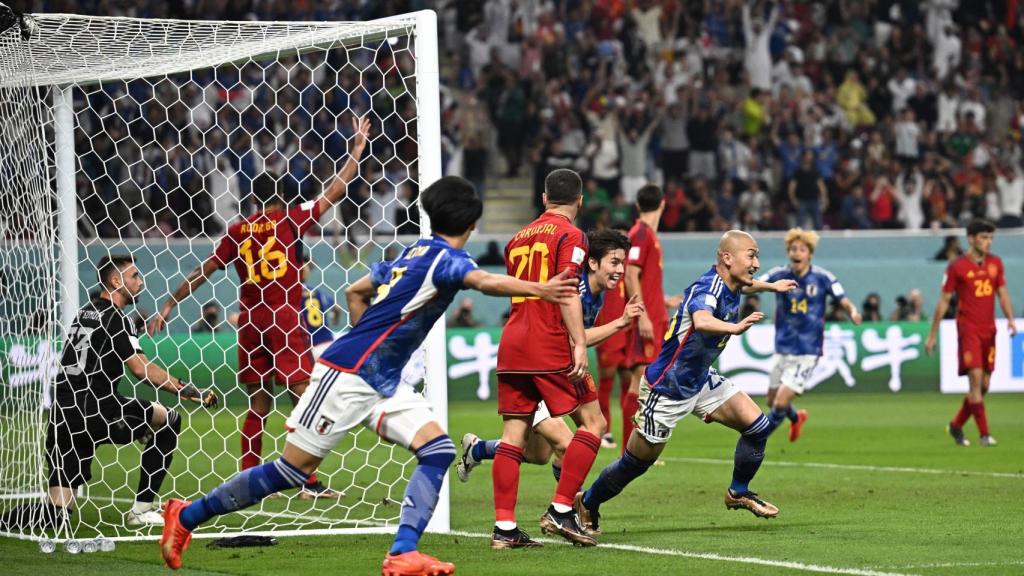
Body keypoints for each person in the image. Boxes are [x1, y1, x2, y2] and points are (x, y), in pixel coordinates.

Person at [159, 176, 580, 574]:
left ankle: (403, 553)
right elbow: (484, 281)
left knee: (437, 451)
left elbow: (355, 290)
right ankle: (187, 515)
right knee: (291, 472)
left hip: (384, 378)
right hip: (347, 374)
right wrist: (541, 289)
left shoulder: (413, 252)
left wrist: (374, 341)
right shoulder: (449, 261)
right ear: (472, 223)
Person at [150, 116, 370, 498]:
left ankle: (247, 482)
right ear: (283, 197)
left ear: (253, 200)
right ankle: (309, 481)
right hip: (284, 319)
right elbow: (335, 190)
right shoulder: (289, 218)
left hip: (250, 322)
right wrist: (356, 150)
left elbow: (206, 270)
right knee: (304, 400)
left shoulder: (237, 230)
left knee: (258, 407)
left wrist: (170, 302)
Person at [575, 231, 796, 535]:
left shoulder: (733, 282)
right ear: (727, 258)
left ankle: (738, 491)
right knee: (636, 463)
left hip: (700, 379)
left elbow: (746, 284)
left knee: (757, 427)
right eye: (751, 255)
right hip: (667, 387)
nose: (756, 263)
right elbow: (703, 319)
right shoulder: (707, 288)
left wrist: (772, 286)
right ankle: (588, 501)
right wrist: (734, 327)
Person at [17, 256, 216, 530]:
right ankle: (142, 510)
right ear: (115, 281)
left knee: (55, 514)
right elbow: (141, 369)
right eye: (134, 276)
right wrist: (187, 389)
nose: (141, 282)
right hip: (98, 409)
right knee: (169, 419)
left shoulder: (84, 312)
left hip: (63, 414)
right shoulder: (117, 318)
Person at [457, 230, 642, 482]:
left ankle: (477, 449)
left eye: (623, 263)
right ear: (593, 262)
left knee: (538, 454)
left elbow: (579, 338)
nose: (620, 270)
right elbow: (573, 339)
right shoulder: (575, 291)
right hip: (537, 369)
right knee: (570, 446)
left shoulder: (599, 293)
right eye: (615, 262)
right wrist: (621, 323)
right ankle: (564, 511)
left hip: (556, 371)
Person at [492, 168, 605, 549]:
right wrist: (578, 343)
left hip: (512, 343)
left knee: (514, 434)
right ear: (580, 200)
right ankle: (560, 510)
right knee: (594, 424)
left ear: (543, 199)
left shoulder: (515, 239)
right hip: (548, 342)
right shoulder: (572, 235)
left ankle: (504, 530)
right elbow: (568, 291)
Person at [757, 229, 862, 442]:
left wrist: (852, 311)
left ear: (809, 254)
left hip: (808, 350)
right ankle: (796, 418)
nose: (797, 253)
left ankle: (757, 439)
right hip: (783, 346)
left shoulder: (823, 278)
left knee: (779, 403)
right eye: (793, 249)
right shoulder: (779, 274)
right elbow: (758, 282)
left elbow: (842, 298)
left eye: (802, 249)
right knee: (771, 400)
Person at [925, 219, 1017, 447]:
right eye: (984, 238)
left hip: (989, 330)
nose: (988, 242)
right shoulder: (957, 267)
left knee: (985, 385)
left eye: (990, 238)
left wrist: (1011, 319)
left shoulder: (996, 263)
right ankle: (985, 434)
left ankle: (956, 425)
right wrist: (932, 334)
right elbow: (944, 301)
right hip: (968, 330)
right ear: (971, 239)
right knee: (975, 382)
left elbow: (1002, 294)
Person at [623, 185, 667, 456]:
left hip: (654, 316)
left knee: (648, 380)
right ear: (662, 204)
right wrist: (643, 316)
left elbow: (645, 279)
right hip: (646, 319)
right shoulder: (640, 233)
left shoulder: (649, 235)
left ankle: (637, 448)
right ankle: (630, 453)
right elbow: (630, 274)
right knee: (639, 379)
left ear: (638, 205)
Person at [300, 256, 341, 360]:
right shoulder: (317, 292)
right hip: (328, 344)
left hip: (310, 347)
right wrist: (335, 320)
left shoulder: (292, 295)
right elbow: (337, 308)